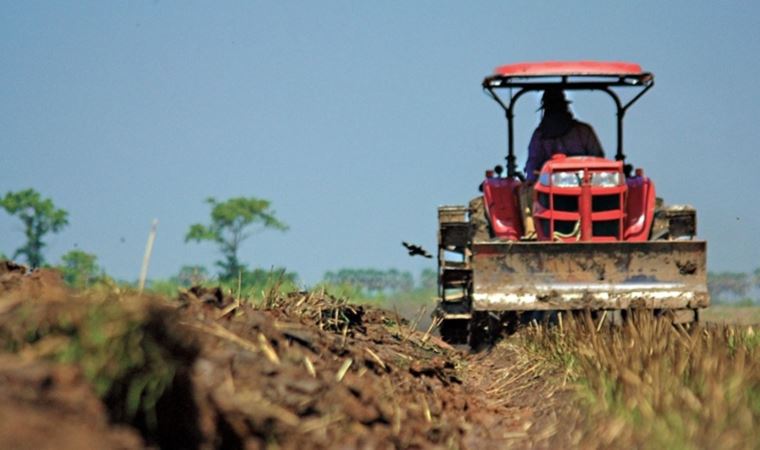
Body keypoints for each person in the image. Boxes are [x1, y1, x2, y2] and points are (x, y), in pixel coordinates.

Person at [524, 88, 604, 183]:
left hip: (583, 183)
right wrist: (542, 178)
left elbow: (598, 162)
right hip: (548, 185)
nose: (555, 114)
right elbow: (532, 168)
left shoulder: (583, 131)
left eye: (557, 108)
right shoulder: (540, 135)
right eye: (552, 109)